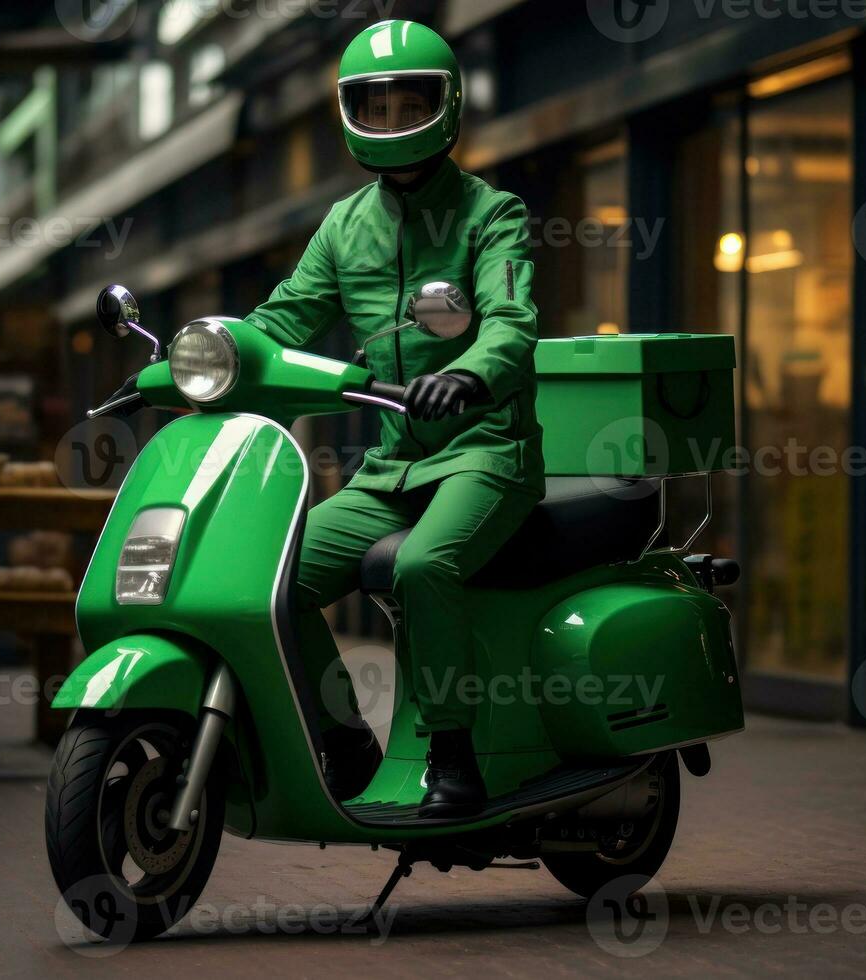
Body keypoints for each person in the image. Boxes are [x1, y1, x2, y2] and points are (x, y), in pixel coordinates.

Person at [244, 19, 543, 818]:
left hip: (485, 453)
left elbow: (513, 321)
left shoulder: (493, 213)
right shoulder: (345, 225)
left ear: (445, 107)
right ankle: (344, 740)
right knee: (270, 580)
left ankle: (453, 753)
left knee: (422, 567)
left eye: (405, 104)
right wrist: (208, 353)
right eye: (369, 108)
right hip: (393, 466)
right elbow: (282, 319)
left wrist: (471, 377)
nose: (387, 122)